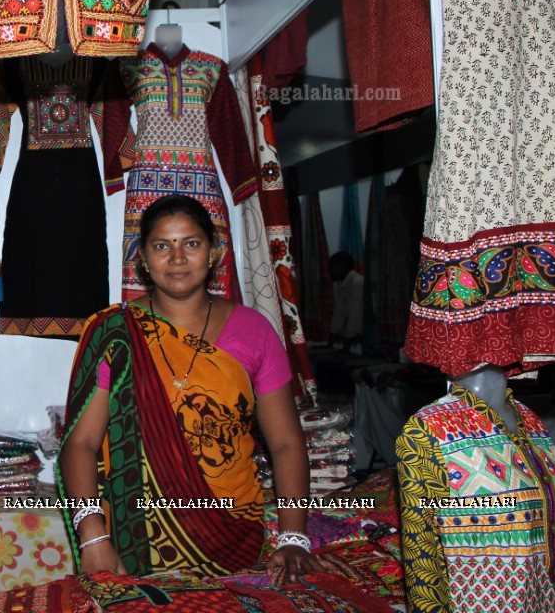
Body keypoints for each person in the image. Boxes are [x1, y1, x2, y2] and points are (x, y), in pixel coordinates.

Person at [56, 194, 327, 582]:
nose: (177, 258)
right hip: (136, 542)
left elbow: (285, 443)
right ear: (144, 261)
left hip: (236, 534)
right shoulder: (114, 335)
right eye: (162, 246)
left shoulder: (254, 331)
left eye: (192, 243)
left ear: (213, 254)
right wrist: (93, 538)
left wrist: (293, 537)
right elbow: (80, 443)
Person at [327, 252, 364, 354]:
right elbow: (338, 312)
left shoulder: (357, 283)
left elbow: (354, 315)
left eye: (332, 267)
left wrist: (346, 346)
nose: (330, 271)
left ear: (343, 267)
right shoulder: (342, 283)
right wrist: (330, 343)